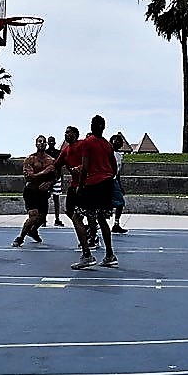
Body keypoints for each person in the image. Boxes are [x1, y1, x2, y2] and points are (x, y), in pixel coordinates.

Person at [71, 115, 119, 270]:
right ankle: (110, 254)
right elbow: (114, 168)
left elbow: (85, 167)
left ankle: (87, 255)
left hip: (93, 184)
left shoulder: (88, 142)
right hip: (106, 184)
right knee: (102, 218)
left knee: (77, 216)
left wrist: (80, 186)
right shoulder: (107, 145)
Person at [13, 135, 54, 247]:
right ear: (36, 144)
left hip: (43, 193)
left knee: (42, 218)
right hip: (31, 191)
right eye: (39, 141)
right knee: (33, 216)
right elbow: (29, 177)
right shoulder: (30, 159)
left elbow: (55, 175)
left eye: (44, 142)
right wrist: (44, 172)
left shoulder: (50, 160)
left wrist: (50, 183)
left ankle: (33, 230)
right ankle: (20, 237)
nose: (42, 143)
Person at [110, 132, 129, 233]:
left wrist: (120, 185)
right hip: (107, 180)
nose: (117, 142)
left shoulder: (119, 156)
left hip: (114, 181)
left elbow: (118, 172)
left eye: (119, 141)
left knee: (120, 203)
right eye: (115, 140)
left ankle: (116, 224)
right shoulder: (108, 153)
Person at [46, 135, 64, 226]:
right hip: (47, 178)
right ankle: (43, 219)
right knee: (45, 199)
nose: (51, 143)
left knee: (56, 199)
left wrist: (61, 178)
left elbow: (61, 166)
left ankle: (57, 219)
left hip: (57, 178)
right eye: (50, 141)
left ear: (55, 142)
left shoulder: (58, 153)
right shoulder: (45, 153)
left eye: (52, 141)